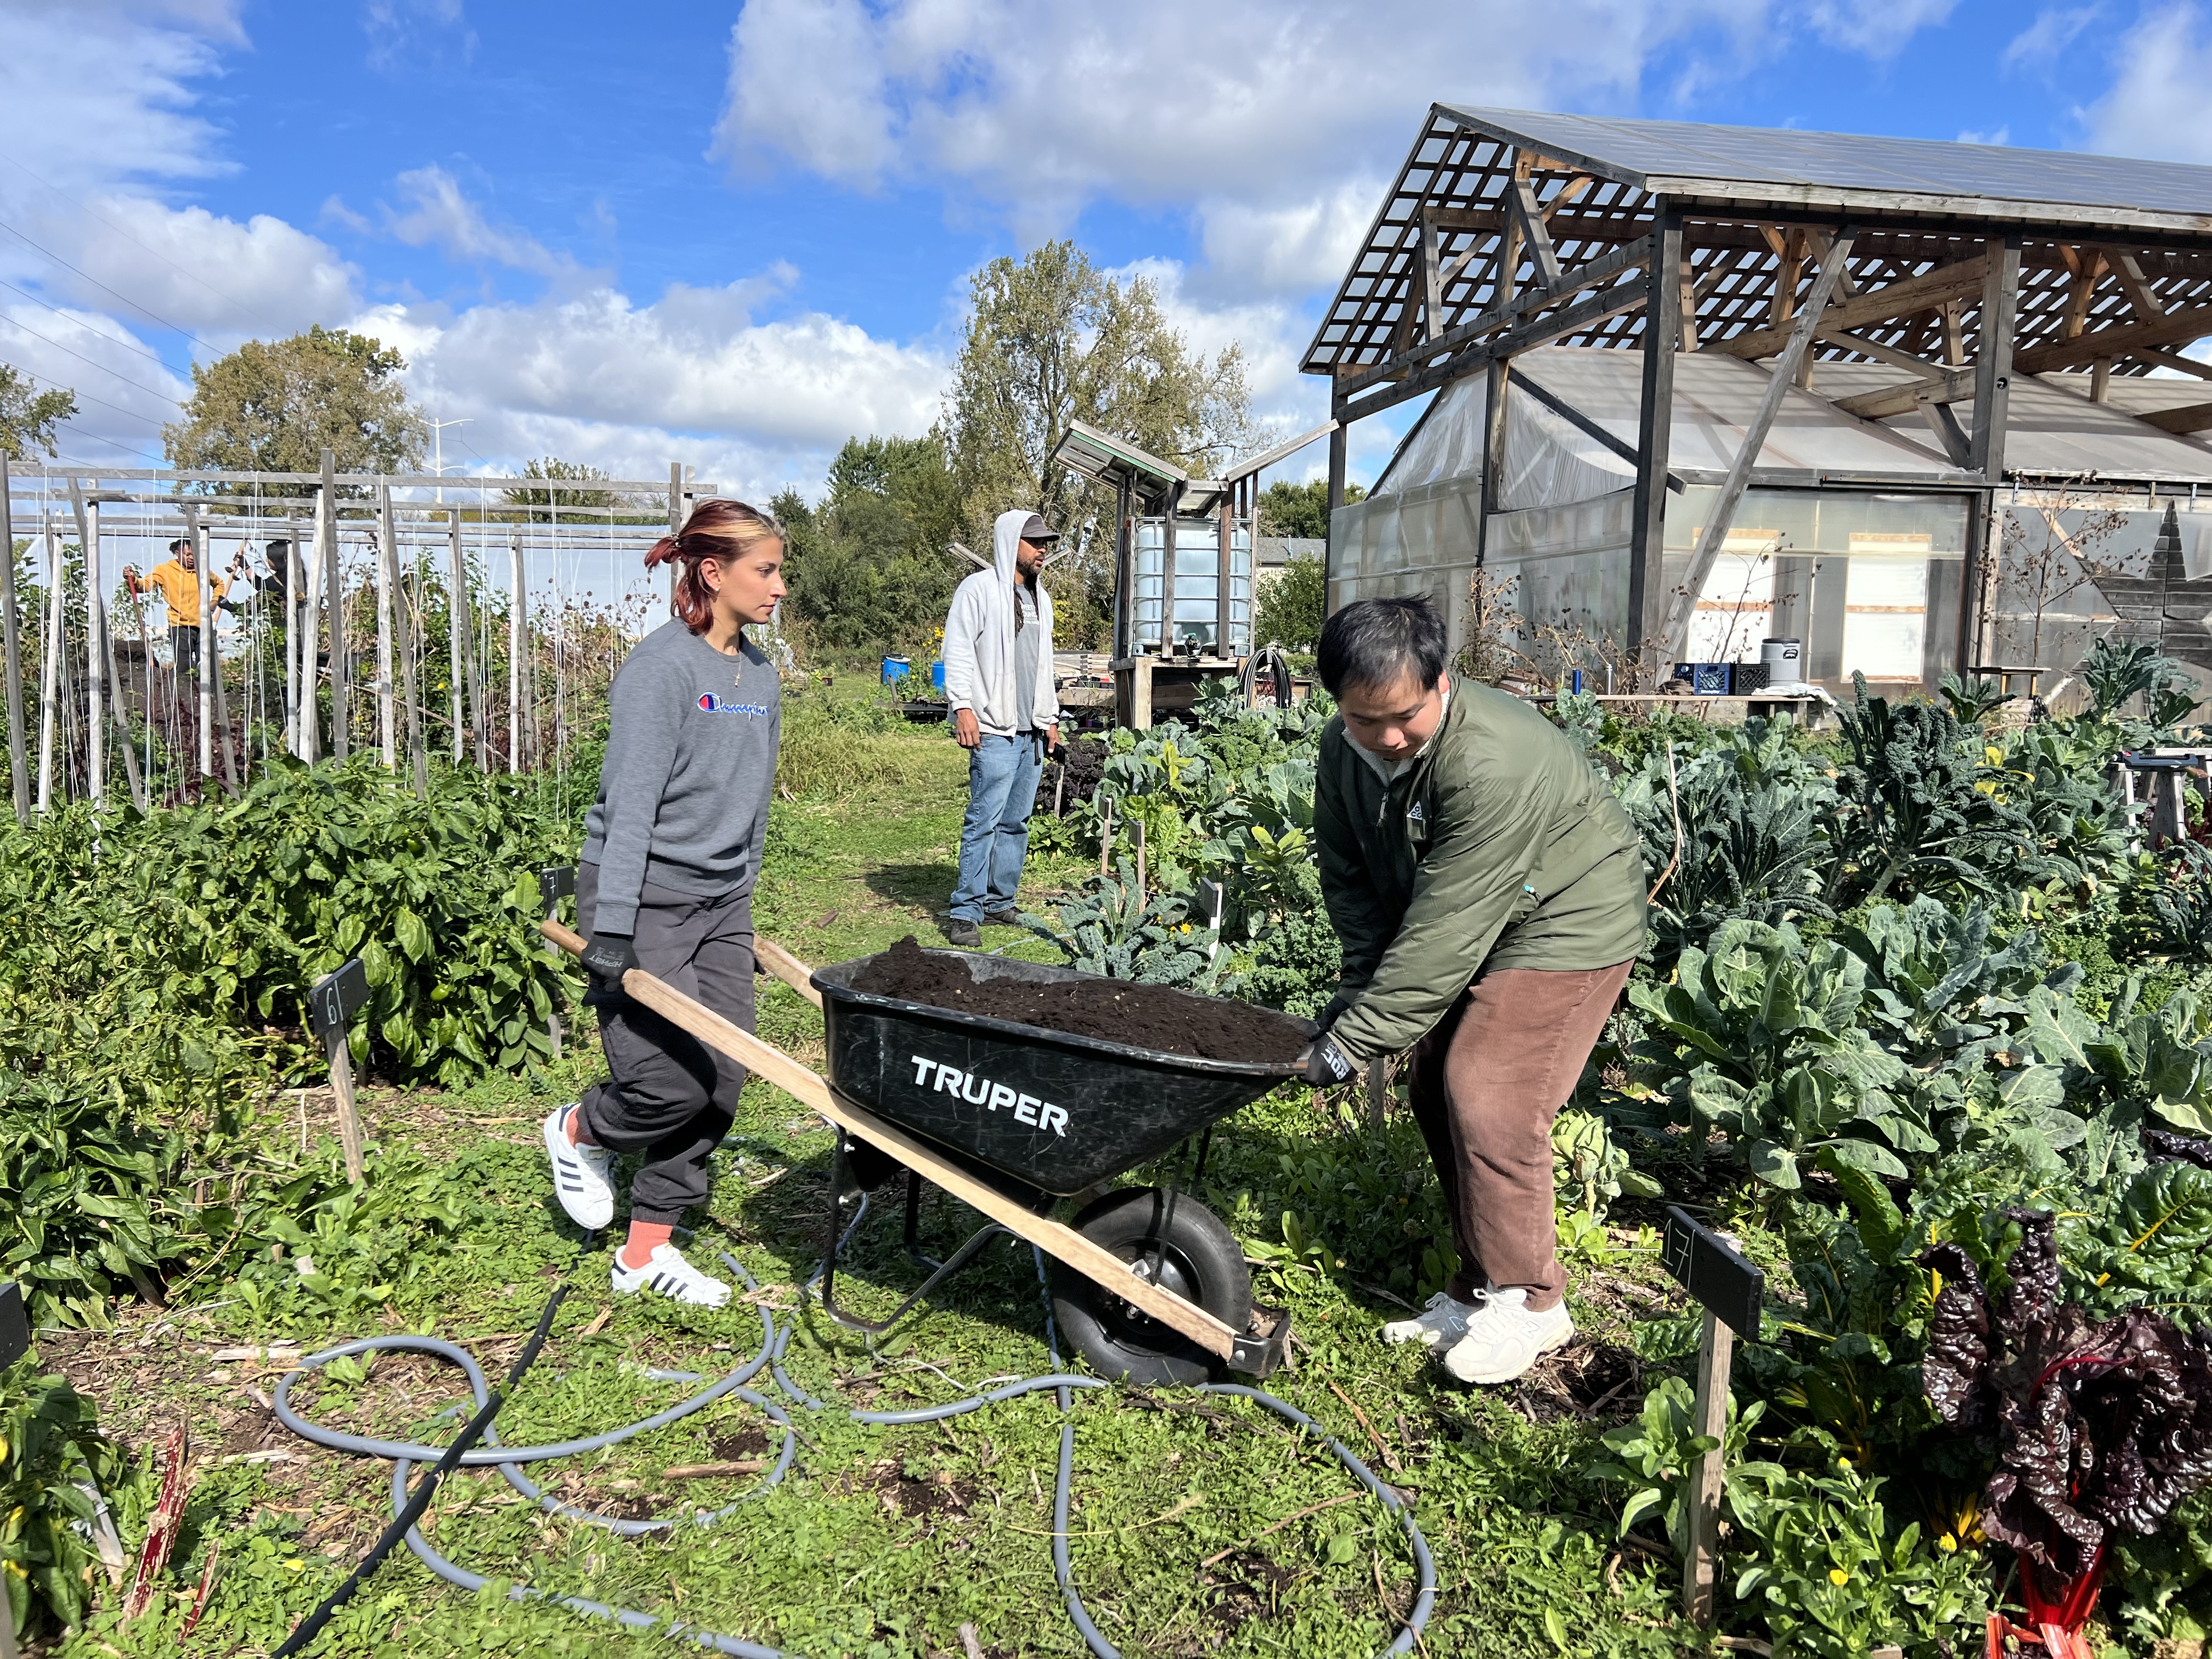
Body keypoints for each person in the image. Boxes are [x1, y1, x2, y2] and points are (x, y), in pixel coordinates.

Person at [1296, 597, 1647, 1385]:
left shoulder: (1491, 758)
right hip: (1484, 916)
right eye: (1362, 719)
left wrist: (1351, 1043)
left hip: (1566, 916)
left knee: (1488, 1086)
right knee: (1432, 1085)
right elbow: (1350, 879)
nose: (1386, 737)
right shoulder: (1342, 752)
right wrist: (1362, 989)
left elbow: (1448, 930)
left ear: (1443, 683)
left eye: (1405, 717)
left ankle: (1533, 1303)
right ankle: (1482, 1284)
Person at [541, 499, 787, 1307]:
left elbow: (751, 801)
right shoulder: (662, 670)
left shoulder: (758, 677)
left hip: (720, 903)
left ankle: (644, 1254)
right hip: (641, 898)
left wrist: (741, 899)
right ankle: (580, 1131)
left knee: (723, 1075)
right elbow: (633, 801)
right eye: (767, 570)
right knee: (667, 1083)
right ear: (712, 574)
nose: (780, 587)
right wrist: (611, 927)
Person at [941, 509, 1060, 949]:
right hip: (994, 728)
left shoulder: (1039, 599)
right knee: (984, 821)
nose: (1043, 549)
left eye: (1046, 541)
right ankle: (966, 911)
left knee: (1017, 822)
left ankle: (999, 900)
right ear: (1012, 543)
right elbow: (956, 651)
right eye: (1036, 542)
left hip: (1030, 729)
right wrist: (963, 707)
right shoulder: (978, 591)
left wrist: (1050, 718)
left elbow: (1043, 666)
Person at [124, 539, 237, 682]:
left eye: (193, 554)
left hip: (203, 624)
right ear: (177, 554)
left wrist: (215, 601)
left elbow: (219, 583)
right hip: (180, 625)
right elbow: (143, 586)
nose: (191, 558)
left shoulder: (202, 571)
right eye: (187, 554)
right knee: (184, 665)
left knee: (208, 664)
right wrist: (133, 579)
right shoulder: (165, 570)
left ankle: (210, 696)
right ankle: (184, 695)